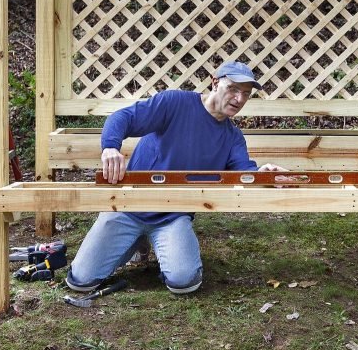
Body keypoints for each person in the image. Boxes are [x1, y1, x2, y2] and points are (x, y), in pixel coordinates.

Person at [65, 61, 285, 295]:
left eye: (246, 94)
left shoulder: (233, 137)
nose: (239, 99)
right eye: (233, 89)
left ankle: (158, 246)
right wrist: (110, 147)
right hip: (128, 207)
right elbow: (123, 118)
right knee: (80, 280)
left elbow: (244, 174)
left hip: (173, 216)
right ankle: (135, 242)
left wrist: (262, 175)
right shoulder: (175, 103)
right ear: (214, 83)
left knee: (184, 282)